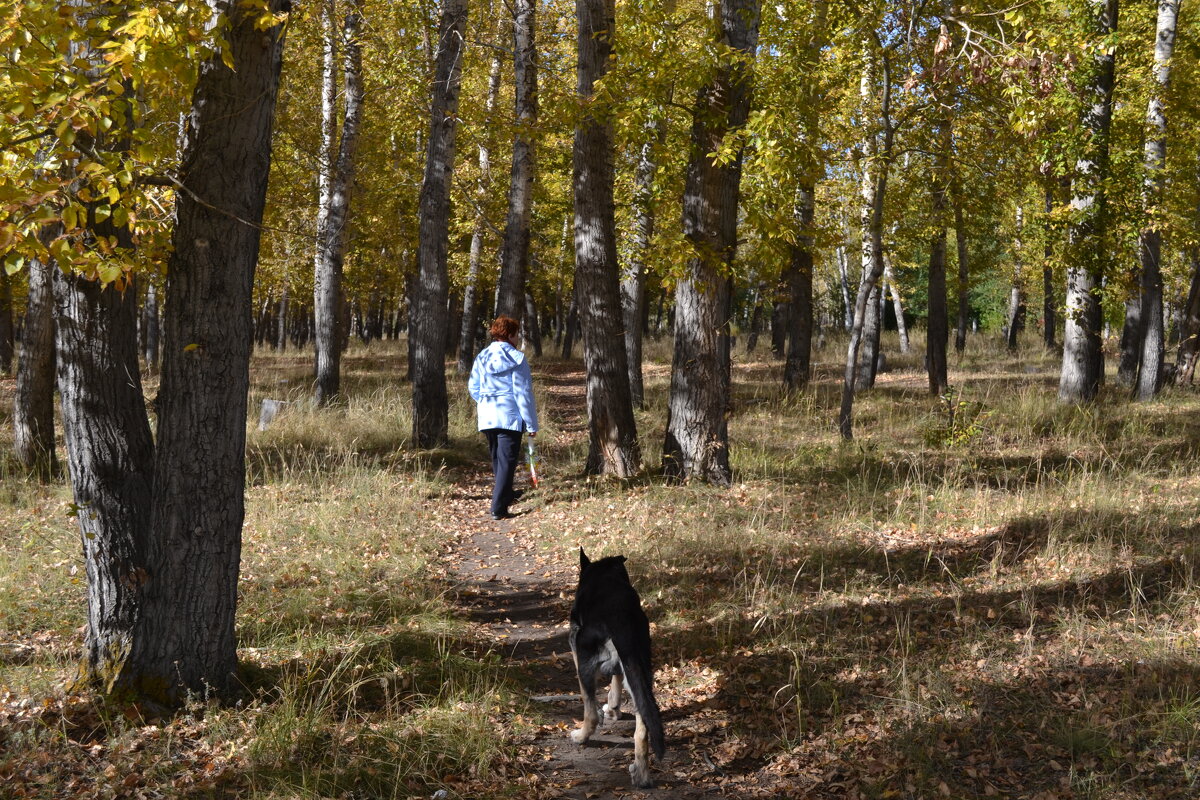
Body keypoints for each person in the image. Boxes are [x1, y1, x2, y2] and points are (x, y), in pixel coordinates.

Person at [468, 316, 538, 520]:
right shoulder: (517, 358)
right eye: (516, 334)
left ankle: (506, 495)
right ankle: (498, 508)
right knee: (507, 461)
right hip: (510, 416)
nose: (518, 338)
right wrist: (531, 423)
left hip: (488, 416)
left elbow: (473, 386)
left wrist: (485, 401)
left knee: (499, 460)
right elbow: (523, 393)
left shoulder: (483, 356)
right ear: (509, 335)